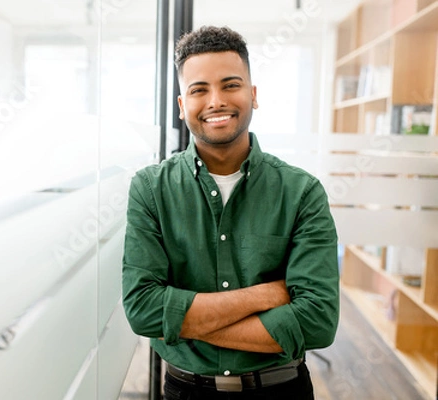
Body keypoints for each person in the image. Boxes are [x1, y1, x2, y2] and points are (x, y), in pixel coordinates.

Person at [122, 26, 339, 399]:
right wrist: (266, 296)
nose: (216, 101)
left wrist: (179, 321)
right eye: (199, 89)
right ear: (181, 105)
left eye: (230, 85)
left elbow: (317, 323)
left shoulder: (301, 191)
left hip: (280, 390)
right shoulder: (151, 189)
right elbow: (143, 311)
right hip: (185, 390)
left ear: (253, 95)